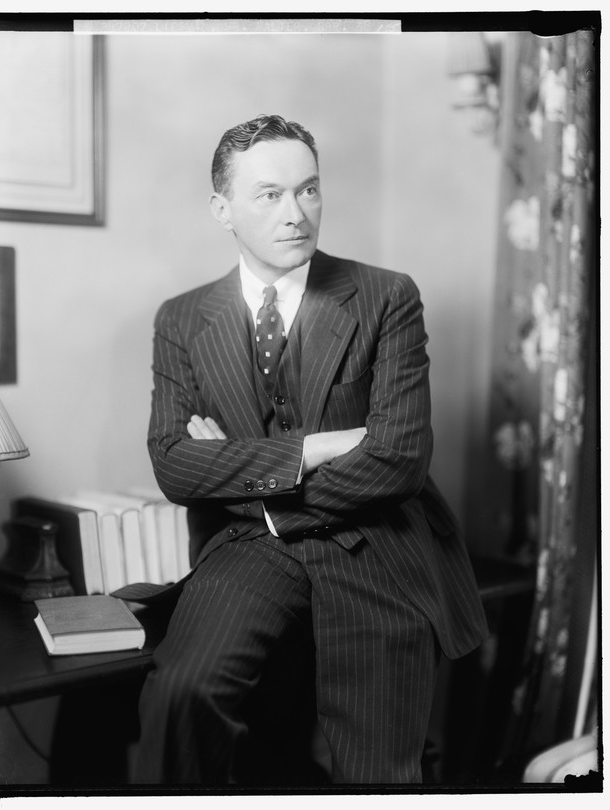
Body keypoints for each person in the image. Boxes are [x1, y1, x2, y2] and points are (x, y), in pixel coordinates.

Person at [116, 114, 489, 785]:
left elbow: (398, 460)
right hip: (250, 549)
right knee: (181, 696)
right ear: (221, 209)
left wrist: (239, 471)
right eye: (270, 195)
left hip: (372, 543)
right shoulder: (181, 318)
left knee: (378, 768)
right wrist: (315, 447)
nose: (297, 213)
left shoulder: (386, 297)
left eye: (309, 190)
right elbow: (174, 464)